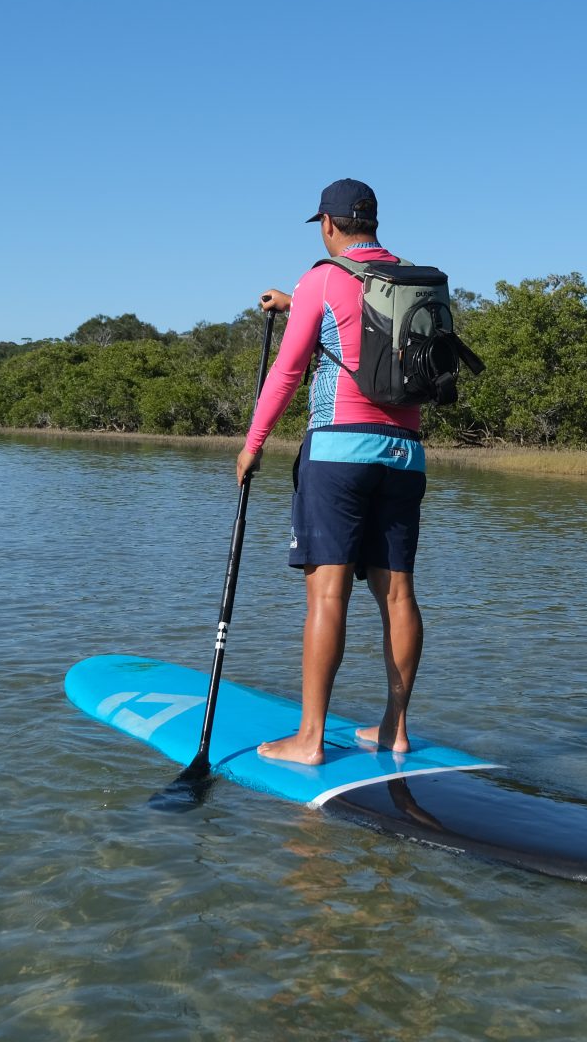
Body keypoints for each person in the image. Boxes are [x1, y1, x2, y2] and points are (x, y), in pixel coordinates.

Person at [236, 178, 427, 766]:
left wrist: (253, 444)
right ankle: (394, 728)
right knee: (396, 592)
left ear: (329, 225)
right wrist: (295, 306)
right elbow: (364, 327)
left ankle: (310, 739)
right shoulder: (410, 280)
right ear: (372, 222)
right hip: (405, 454)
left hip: (338, 451)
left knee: (327, 592)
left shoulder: (322, 277)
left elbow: (288, 372)